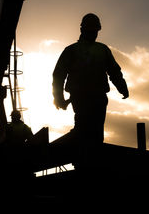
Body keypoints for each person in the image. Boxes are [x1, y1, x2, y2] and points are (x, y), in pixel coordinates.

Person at [52, 13, 129, 156]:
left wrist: (122, 87)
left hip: (91, 97)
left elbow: (114, 71)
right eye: (92, 30)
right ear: (84, 30)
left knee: (90, 130)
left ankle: (89, 161)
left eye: (94, 31)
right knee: (89, 130)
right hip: (86, 97)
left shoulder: (88, 50)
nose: (93, 33)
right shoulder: (81, 50)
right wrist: (58, 97)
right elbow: (59, 75)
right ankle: (87, 161)